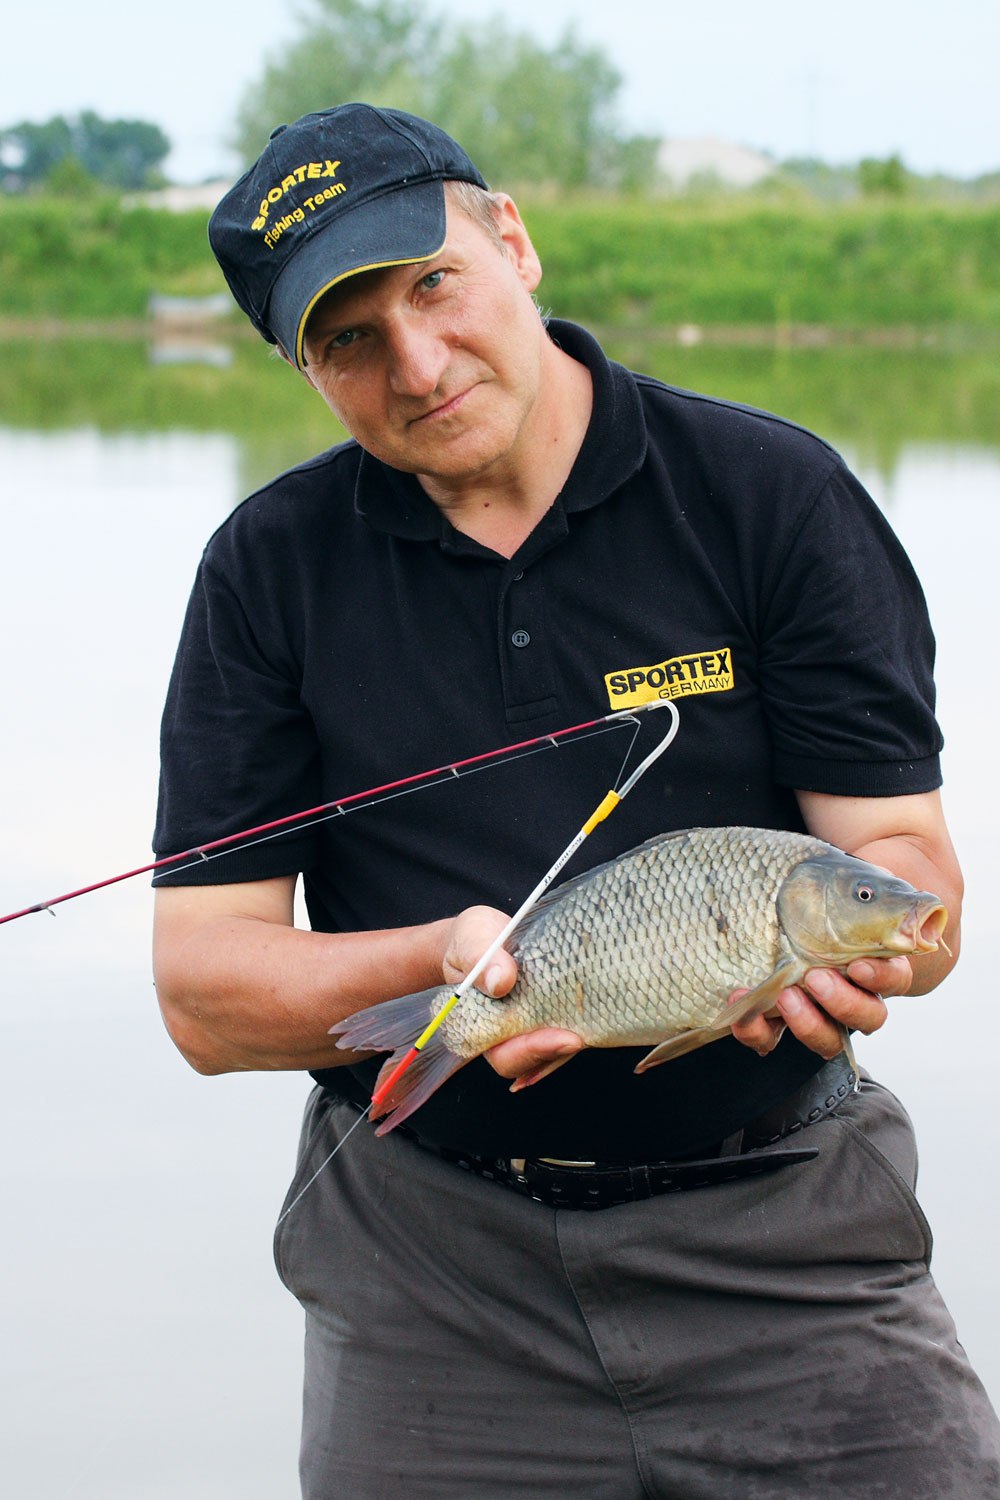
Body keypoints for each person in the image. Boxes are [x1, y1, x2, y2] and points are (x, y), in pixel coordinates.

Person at [151, 103, 1000, 1498]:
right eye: (348, 339)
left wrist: (876, 962)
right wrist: (443, 973)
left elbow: (910, 876)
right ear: (304, 368)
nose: (417, 364)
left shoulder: (770, 495)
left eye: (432, 284)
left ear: (515, 243)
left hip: (788, 1240)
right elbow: (202, 994)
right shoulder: (266, 572)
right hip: (433, 1274)